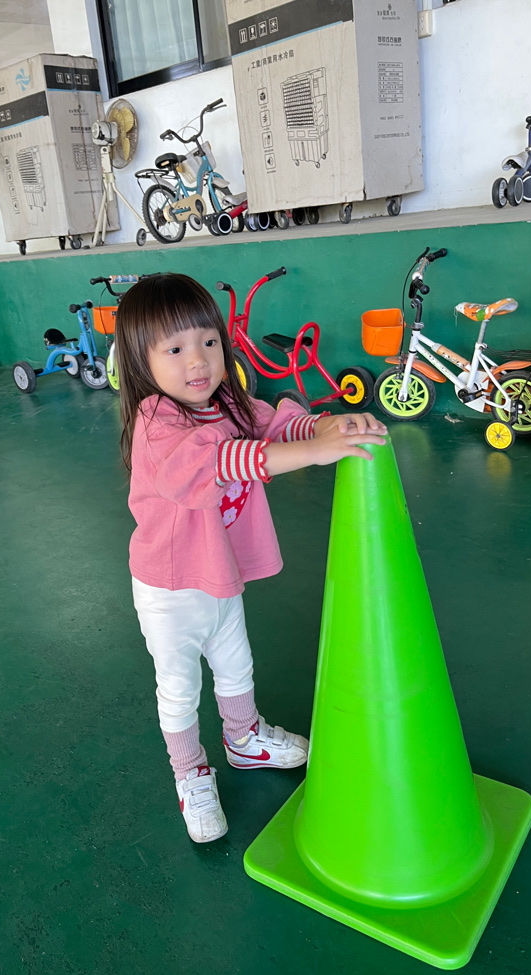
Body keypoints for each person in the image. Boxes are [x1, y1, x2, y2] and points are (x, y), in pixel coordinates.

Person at [114, 273, 387, 843]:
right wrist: (313, 453)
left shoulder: (227, 404)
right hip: (169, 588)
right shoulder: (156, 422)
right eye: (175, 349)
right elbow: (216, 463)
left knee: (236, 663)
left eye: (209, 341)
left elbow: (276, 424)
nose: (199, 360)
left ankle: (243, 739)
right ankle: (190, 771)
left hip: (220, 574)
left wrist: (326, 424)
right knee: (179, 688)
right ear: (141, 361)